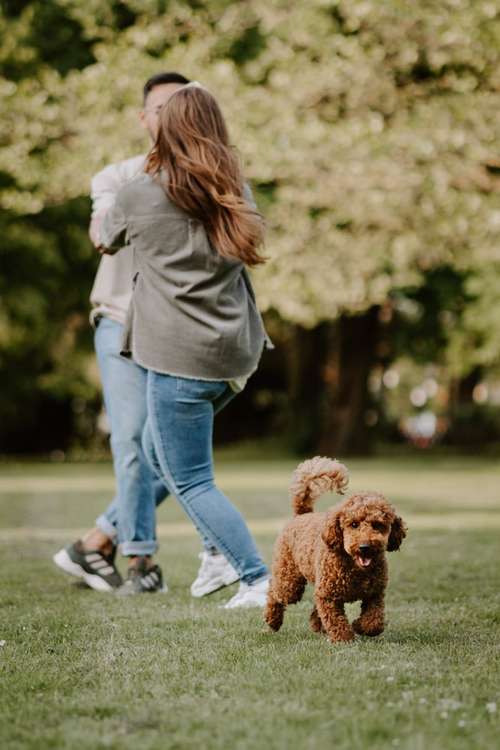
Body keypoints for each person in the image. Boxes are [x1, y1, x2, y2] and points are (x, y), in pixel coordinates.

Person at [53, 72, 238, 597]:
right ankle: (142, 562)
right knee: (133, 441)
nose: (168, 117)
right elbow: (101, 235)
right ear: (145, 118)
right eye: (160, 108)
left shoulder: (212, 177)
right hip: (119, 319)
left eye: (180, 106)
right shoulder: (118, 177)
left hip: (180, 332)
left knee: (165, 450)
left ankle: (98, 540)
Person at [95, 81, 272, 608]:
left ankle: (253, 575)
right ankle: (217, 554)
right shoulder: (234, 191)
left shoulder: (141, 192)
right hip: (234, 356)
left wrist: (107, 193)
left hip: (176, 360)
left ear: (165, 130)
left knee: (192, 479)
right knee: (155, 451)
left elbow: (105, 236)